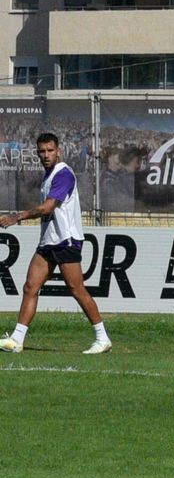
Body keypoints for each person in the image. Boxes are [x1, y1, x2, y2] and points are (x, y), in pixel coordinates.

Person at [0, 132, 111, 355]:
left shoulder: (63, 175)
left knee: (76, 290)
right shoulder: (49, 175)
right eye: (42, 151)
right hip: (49, 241)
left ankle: (102, 337)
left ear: (58, 150)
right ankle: (17, 339)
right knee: (30, 286)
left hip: (65, 241)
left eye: (50, 150)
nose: (46, 155)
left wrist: (16, 217)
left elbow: (48, 207)